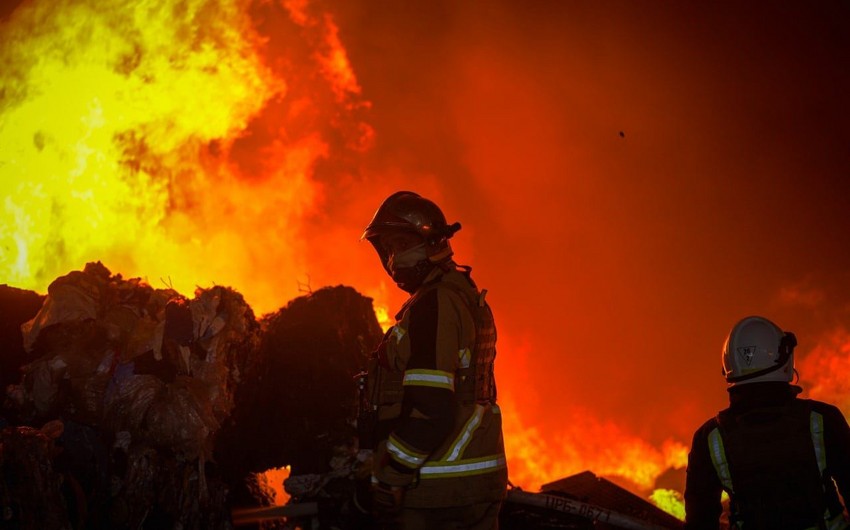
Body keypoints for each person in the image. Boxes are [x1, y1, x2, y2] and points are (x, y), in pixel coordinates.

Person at [359, 191, 508, 529]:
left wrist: (392, 473)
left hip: (437, 493)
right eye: (389, 248)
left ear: (429, 240)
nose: (394, 258)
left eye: (400, 244)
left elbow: (432, 408)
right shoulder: (462, 294)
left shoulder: (434, 305)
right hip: (474, 484)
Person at [684, 316, 850, 530]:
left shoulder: (709, 437)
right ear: (786, 359)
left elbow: (700, 523)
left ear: (728, 367)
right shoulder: (823, 419)